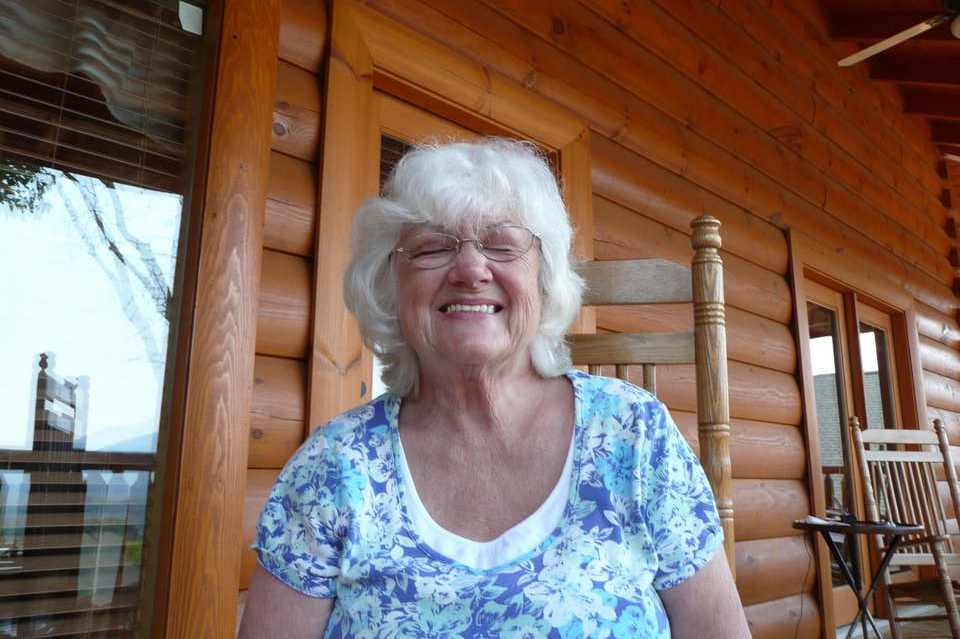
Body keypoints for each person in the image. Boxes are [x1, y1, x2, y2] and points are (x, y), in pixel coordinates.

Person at [239, 138, 751, 638]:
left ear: (544, 280)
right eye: (432, 247)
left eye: (502, 244)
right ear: (389, 286)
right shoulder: (334, 465)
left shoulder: (634, 433)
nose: (470, 270)